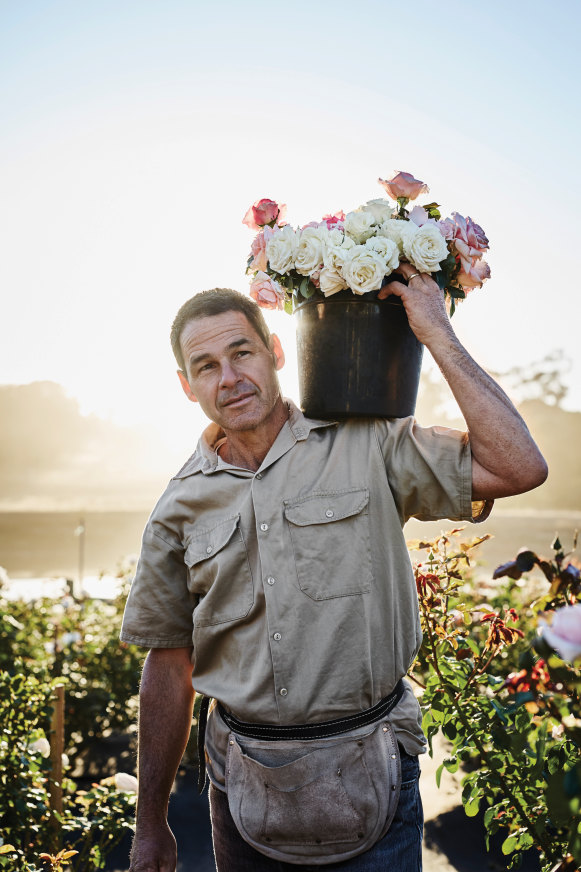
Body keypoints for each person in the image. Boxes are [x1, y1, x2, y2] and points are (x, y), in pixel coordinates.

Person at [121, 265, 547, 872]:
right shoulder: (177, 508)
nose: (230, 377)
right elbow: (167, 665)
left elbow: (518, 467)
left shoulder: (368, 442)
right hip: (240, 791)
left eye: (242, 352)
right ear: (188, 386)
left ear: (275, 352)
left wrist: (437, 334)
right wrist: (151, 823)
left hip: (370, 772)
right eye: (207, 366)